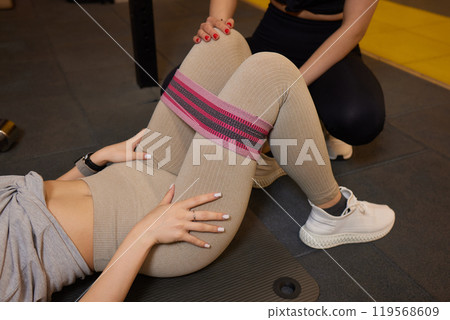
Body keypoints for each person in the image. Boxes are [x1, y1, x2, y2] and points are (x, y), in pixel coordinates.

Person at [0, 30, 394, 302]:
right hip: (162, 224)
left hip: (130, 171)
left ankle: (249, 164)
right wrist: (144, 233)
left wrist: (93, 161)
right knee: (272, 73)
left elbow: (28, 201)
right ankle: (333, 212)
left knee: (224, 43)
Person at [193, 0, 385, 162]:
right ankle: (290, 119)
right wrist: (218, 27)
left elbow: (354, 27)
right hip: (273, 33)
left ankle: (315, 117)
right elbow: (219, 22)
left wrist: (290, 87)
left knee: (358, 119)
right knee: (181, 90)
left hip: (331, 43)